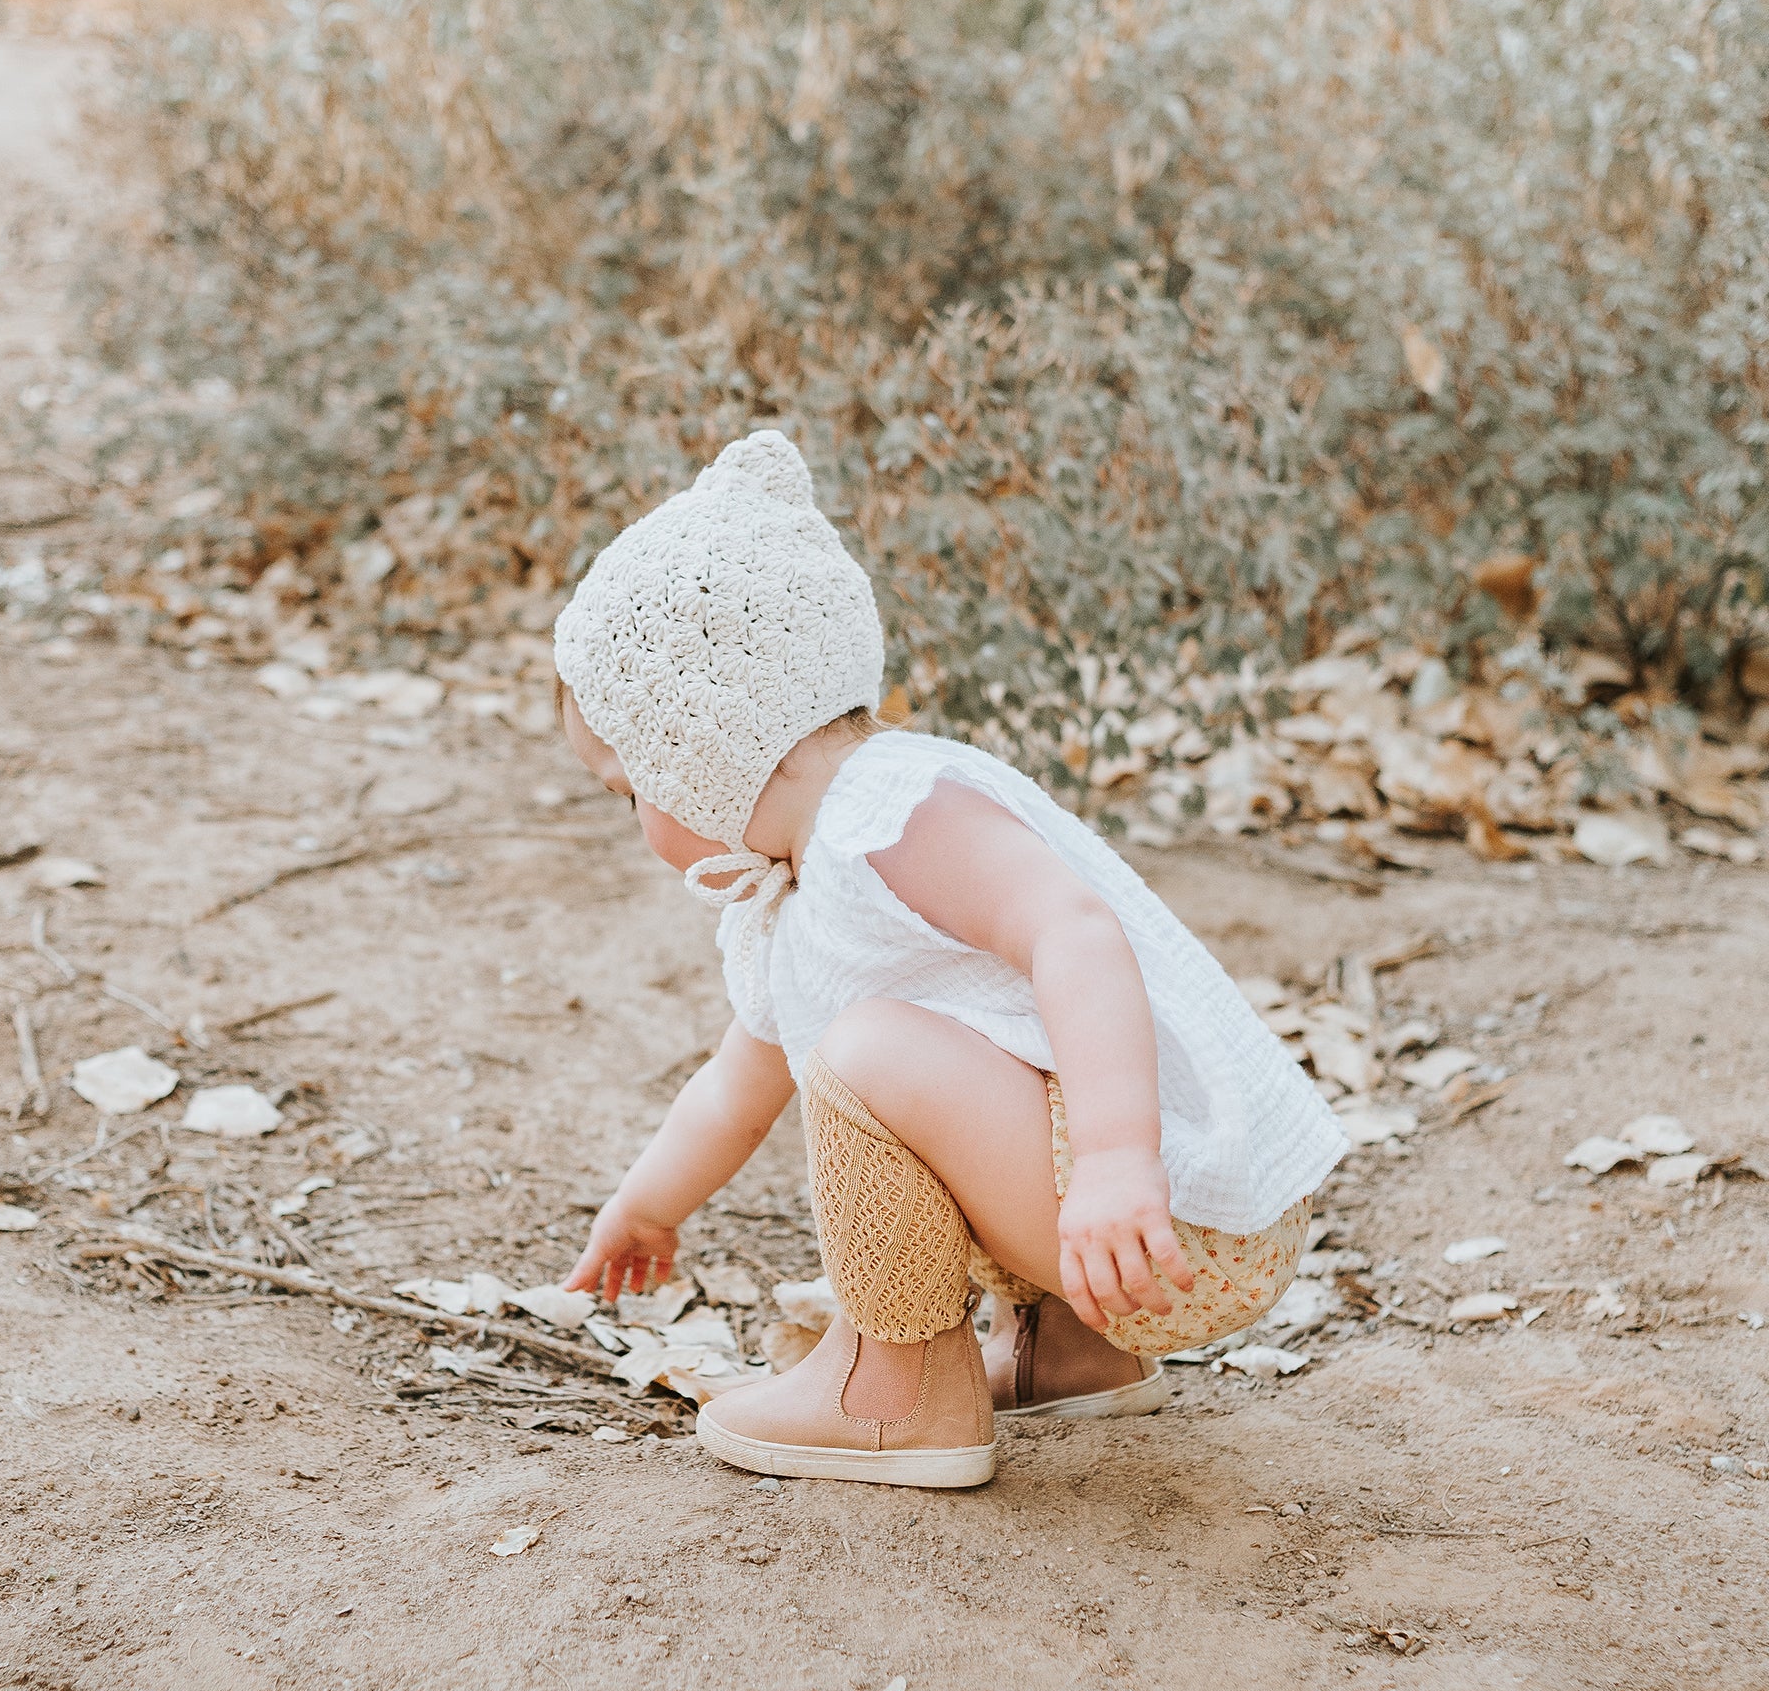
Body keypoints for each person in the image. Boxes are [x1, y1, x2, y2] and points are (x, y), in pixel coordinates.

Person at [555, 430, 1345, 1487]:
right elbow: (732, 1089)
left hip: (1173, 1214)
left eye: (628, 790)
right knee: (905, 1041)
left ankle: (895, 1393)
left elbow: (1071, 930)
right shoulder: (791, 897)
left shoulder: (885, 811)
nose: (635, 823)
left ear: (704, 748)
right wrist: (646, 1205)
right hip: (1126, 1249)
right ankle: (1068, 1352)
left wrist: (1117, 1158)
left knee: (870, 1048)